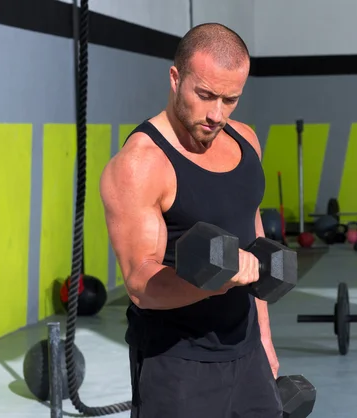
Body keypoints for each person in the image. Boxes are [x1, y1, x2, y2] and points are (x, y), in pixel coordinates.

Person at [100, 23, 283, 417]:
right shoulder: (142, 163)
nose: (216, 114)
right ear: (175, 77)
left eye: (230, 99)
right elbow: (140, 283)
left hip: (247, 349)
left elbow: (254, 243)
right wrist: (217, 286)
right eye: (204, 95)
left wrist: (265, 338)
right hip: (176, 363)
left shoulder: (246, 141)